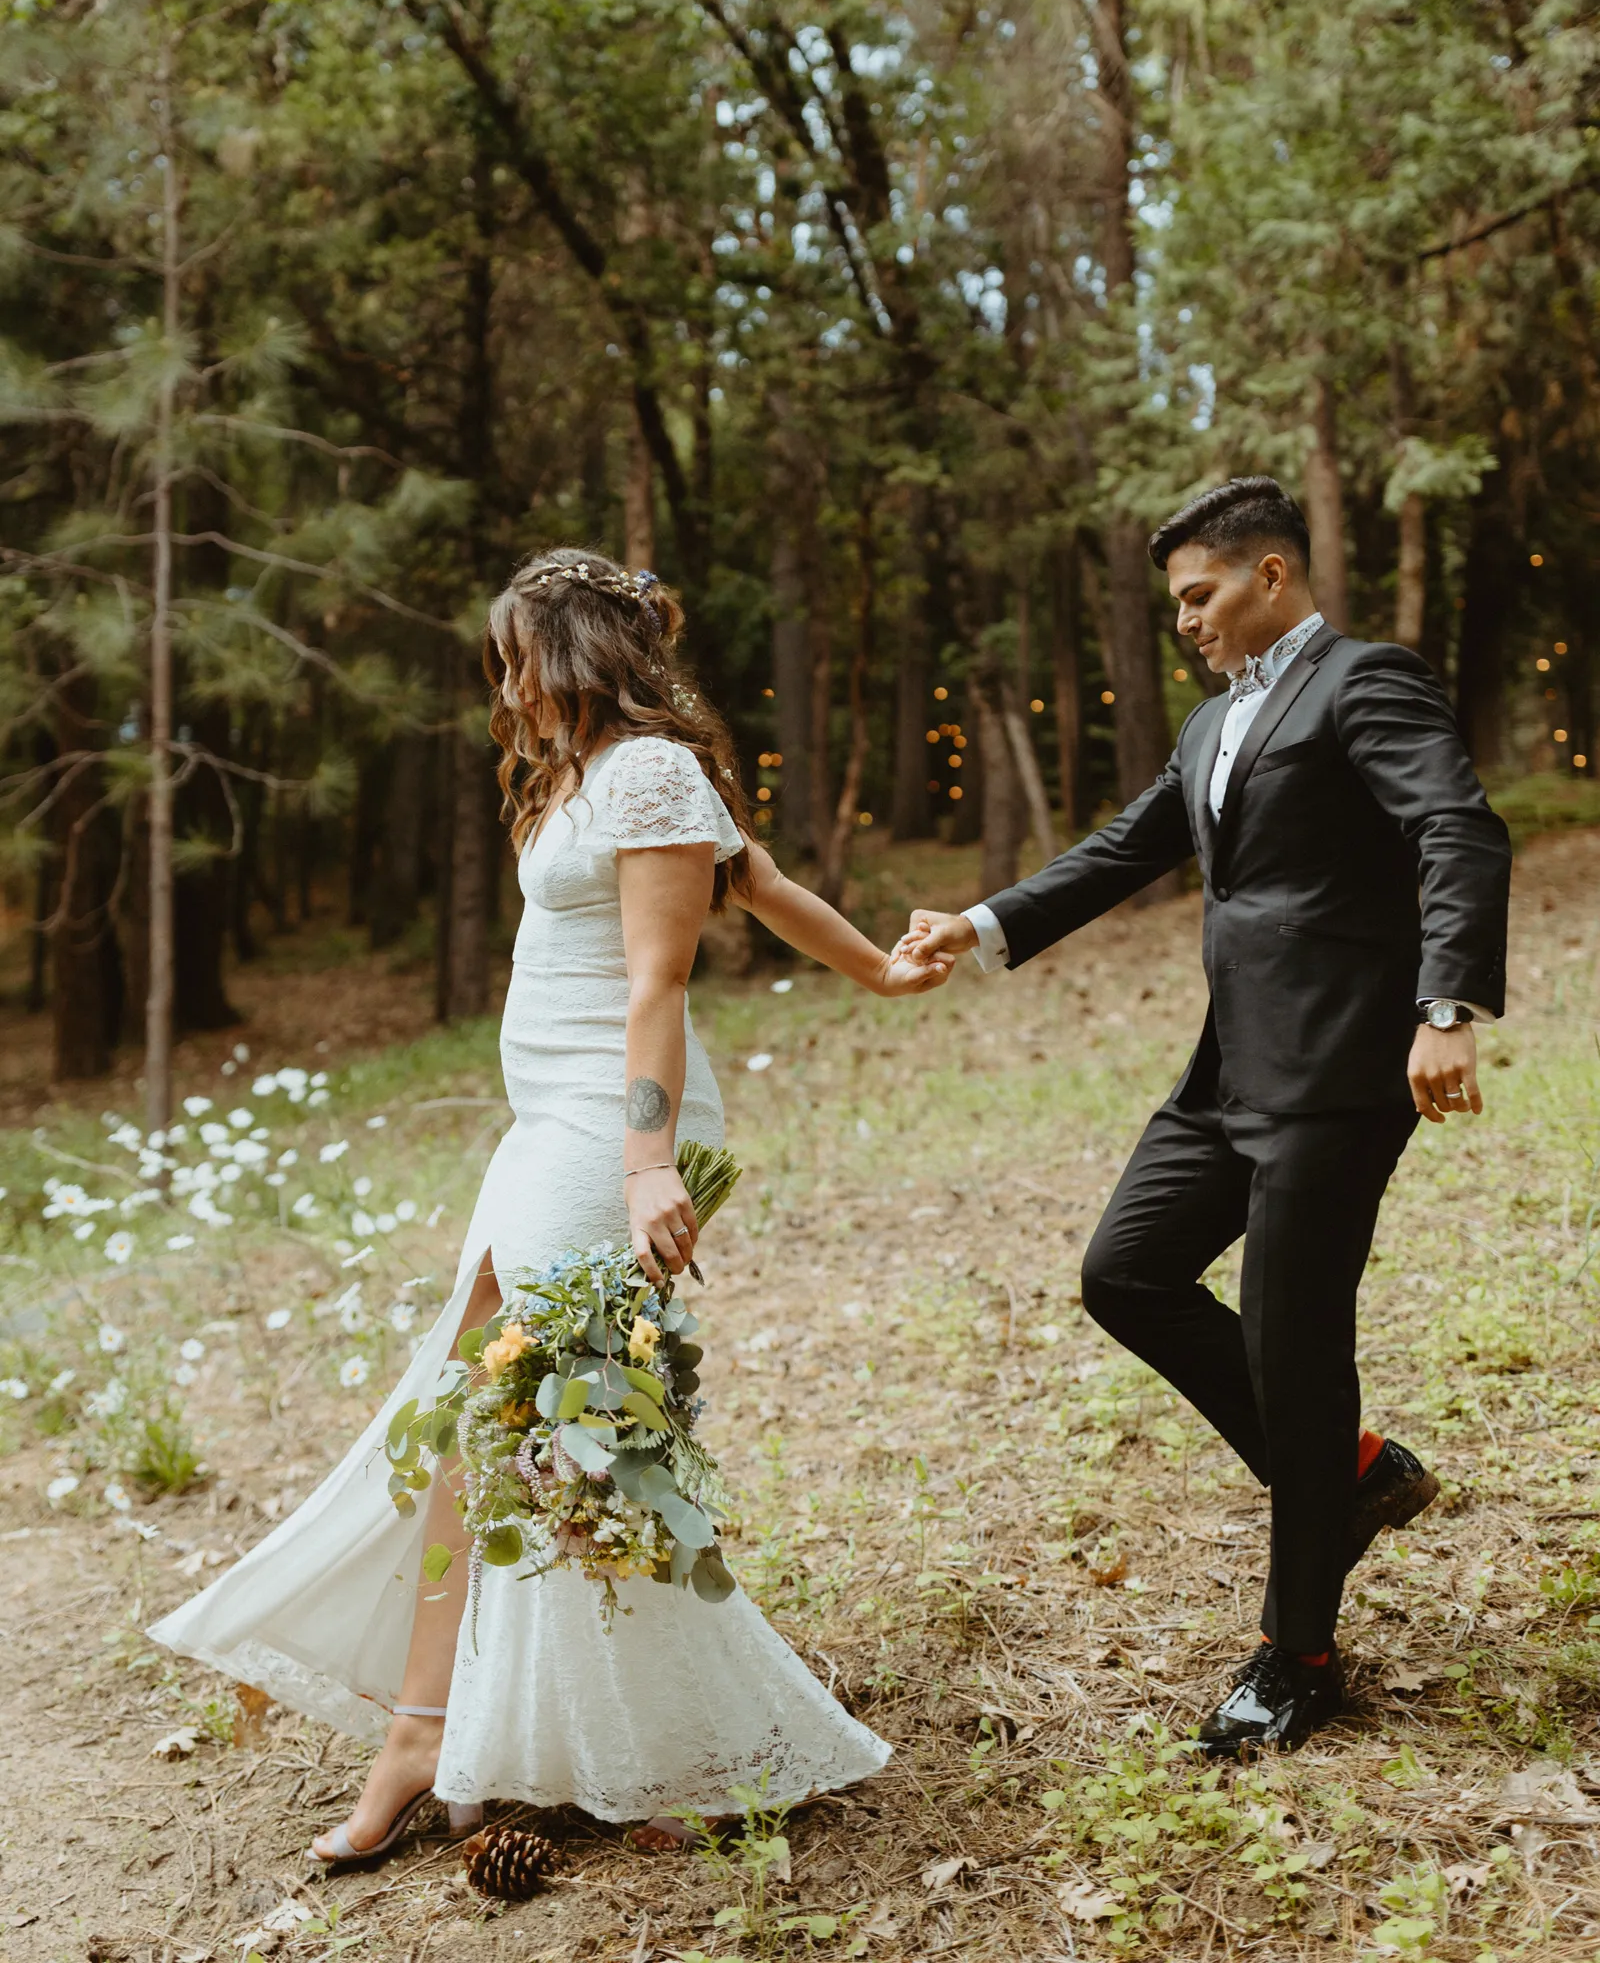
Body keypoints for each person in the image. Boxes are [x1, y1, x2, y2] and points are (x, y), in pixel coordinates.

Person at [152, 549, 949, 1865]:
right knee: (489, 1414)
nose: (506, 685)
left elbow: (659, 980)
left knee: (571, 1426)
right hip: (547, 1131)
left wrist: (645, 1168)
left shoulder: (648, 771)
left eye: (517, 658)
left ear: (574, 651)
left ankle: (657, 1739)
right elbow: (761, 880)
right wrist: (875, 967)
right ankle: (428, 1726)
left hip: (606, 1135)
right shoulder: (590, 778)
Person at [901, 477, 1510, 1759]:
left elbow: (1456, 827)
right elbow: (1127, 847)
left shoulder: (1363, 682)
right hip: (1227, 1073)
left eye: (1199, 594)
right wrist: (981, 924)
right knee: (1124, 1271)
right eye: (1175, 602)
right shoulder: (1209, 723)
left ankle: (1301, 1657)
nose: (1184, 619)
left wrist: (1445, 1004)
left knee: (1295, 1349)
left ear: (1270, 575)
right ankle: (1351, 1472)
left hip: (1337, 1076)